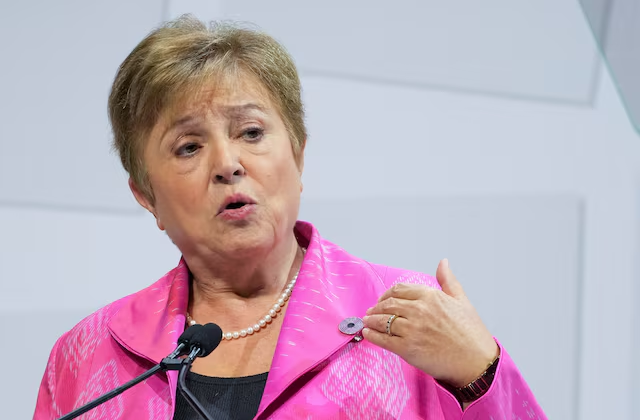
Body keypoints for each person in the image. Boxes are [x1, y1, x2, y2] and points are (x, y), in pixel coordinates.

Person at [33, 15, 546, 420]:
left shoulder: (406, 315)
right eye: (189, 146)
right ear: (146, 195)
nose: (228, 163)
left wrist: (481, 374)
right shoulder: (87, 355)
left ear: (298, 155)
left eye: (251, 133)